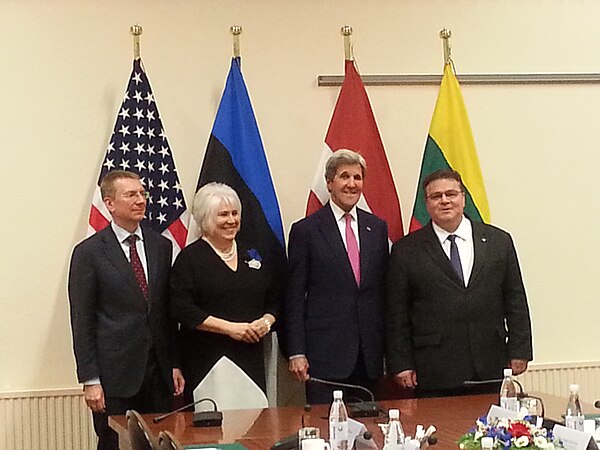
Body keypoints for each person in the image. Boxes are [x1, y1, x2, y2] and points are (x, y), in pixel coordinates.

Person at [385, 169, 533, 397]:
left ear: (463, 198)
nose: (444, 200)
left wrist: (520, 350)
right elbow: (397, 313)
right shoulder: (406, 250)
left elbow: (515, 300)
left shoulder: (498, 241)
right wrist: (402, 363)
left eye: (451, 194)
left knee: (491, 431)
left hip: (490, 363)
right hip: (434, 369)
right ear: (426, 204)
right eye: (436, 196)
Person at [68, 170, 184, 450]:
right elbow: (82, 320)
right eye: (131, 195)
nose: (140, 200)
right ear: (109, 203)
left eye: (142, 194)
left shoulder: (161, 246)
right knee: (113, 443)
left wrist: (175, 363)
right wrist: (90, 380)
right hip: (114, 377)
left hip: (158, 374)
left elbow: (166, 312)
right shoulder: (89, 253)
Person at [285, 149, 389, 404]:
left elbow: (383, 292)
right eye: (344, 176)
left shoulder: (376, 228)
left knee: (370, 434)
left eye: (357, 177)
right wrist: (296, 351)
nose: (352, 184)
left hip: (369, 356)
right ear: (330, 183)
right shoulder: (306, 230)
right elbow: (295, 297)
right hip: (325, 357)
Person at [170, 182, 280, 403]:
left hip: (251, 357)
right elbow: (182, 309)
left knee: (254, 428)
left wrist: (266, 322)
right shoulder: (190, 259)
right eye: (222, 215)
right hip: (208, 361)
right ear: (206, 219)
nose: (231, 220)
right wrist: (230, 329)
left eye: (234, 213)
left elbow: (275, 298)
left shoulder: (253, 253)